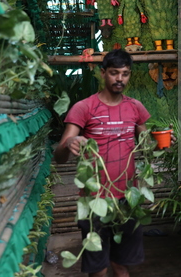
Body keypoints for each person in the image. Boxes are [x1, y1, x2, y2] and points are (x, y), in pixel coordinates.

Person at [54, 49, 151, 277]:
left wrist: (163, 141)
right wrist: (69, 143)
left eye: (125, 73)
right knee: (98, 269)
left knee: (121, 265)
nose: (120, 79)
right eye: (114, 73)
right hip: (93, 201)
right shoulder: (84, 108)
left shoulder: (135, 107)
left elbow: (147, 146)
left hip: (127, 198)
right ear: (102, 73)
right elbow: (59, 157)